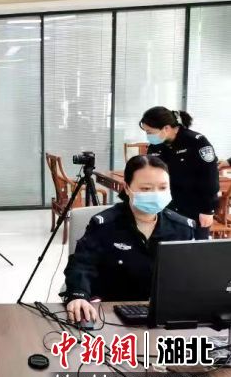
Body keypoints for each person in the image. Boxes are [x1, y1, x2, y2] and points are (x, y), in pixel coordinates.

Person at [63, 155, 195, 323]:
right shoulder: (104, 224)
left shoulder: (182, 228)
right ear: (126, 188)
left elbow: (192, 275)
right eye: (146, 188)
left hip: (166, 314)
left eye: (163, 187)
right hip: (111, 313)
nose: (156, 194)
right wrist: (79, 295)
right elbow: (82, 264)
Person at [140, 106, 219, 240]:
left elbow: (210, 177)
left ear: (166, 128)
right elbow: (150, 172)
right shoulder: (156, 145)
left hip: (194, 207)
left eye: (150, 132)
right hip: (166, 206)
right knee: (165, 246)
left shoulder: (196, 142)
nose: (148, 136)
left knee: (193, 248)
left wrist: (208, 210)